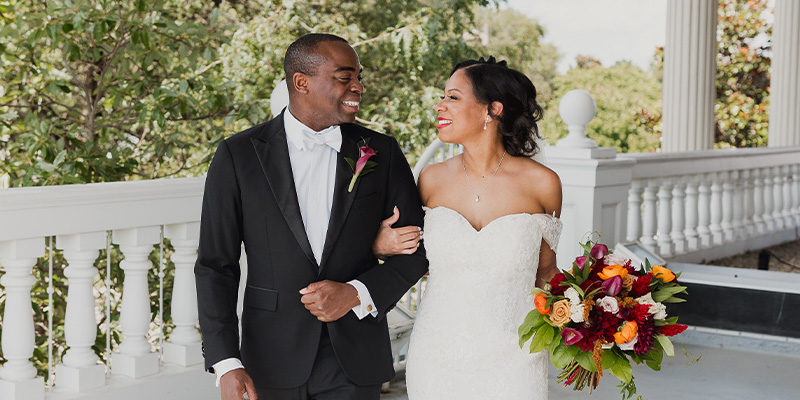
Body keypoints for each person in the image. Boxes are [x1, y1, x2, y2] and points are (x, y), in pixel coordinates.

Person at [194, 33, 428, 400]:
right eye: (344, 77)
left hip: (355, 357)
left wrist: (355, 293)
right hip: (268, 357)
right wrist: (226, 361)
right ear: (301, 82)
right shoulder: (238, 156)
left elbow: (417, 251)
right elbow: (215, 265)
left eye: (359, 77)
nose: (358, 87)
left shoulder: (380, 152)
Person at [373, 57, 562, 399]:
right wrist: (380, 246)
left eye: (453, 97)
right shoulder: (431, 180)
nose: (439, 105)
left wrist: (586, 315)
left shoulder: (542, 184)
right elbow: (408, 250)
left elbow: (546, 273)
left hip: (516, 357)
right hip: (436, 355)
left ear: (492, 110)